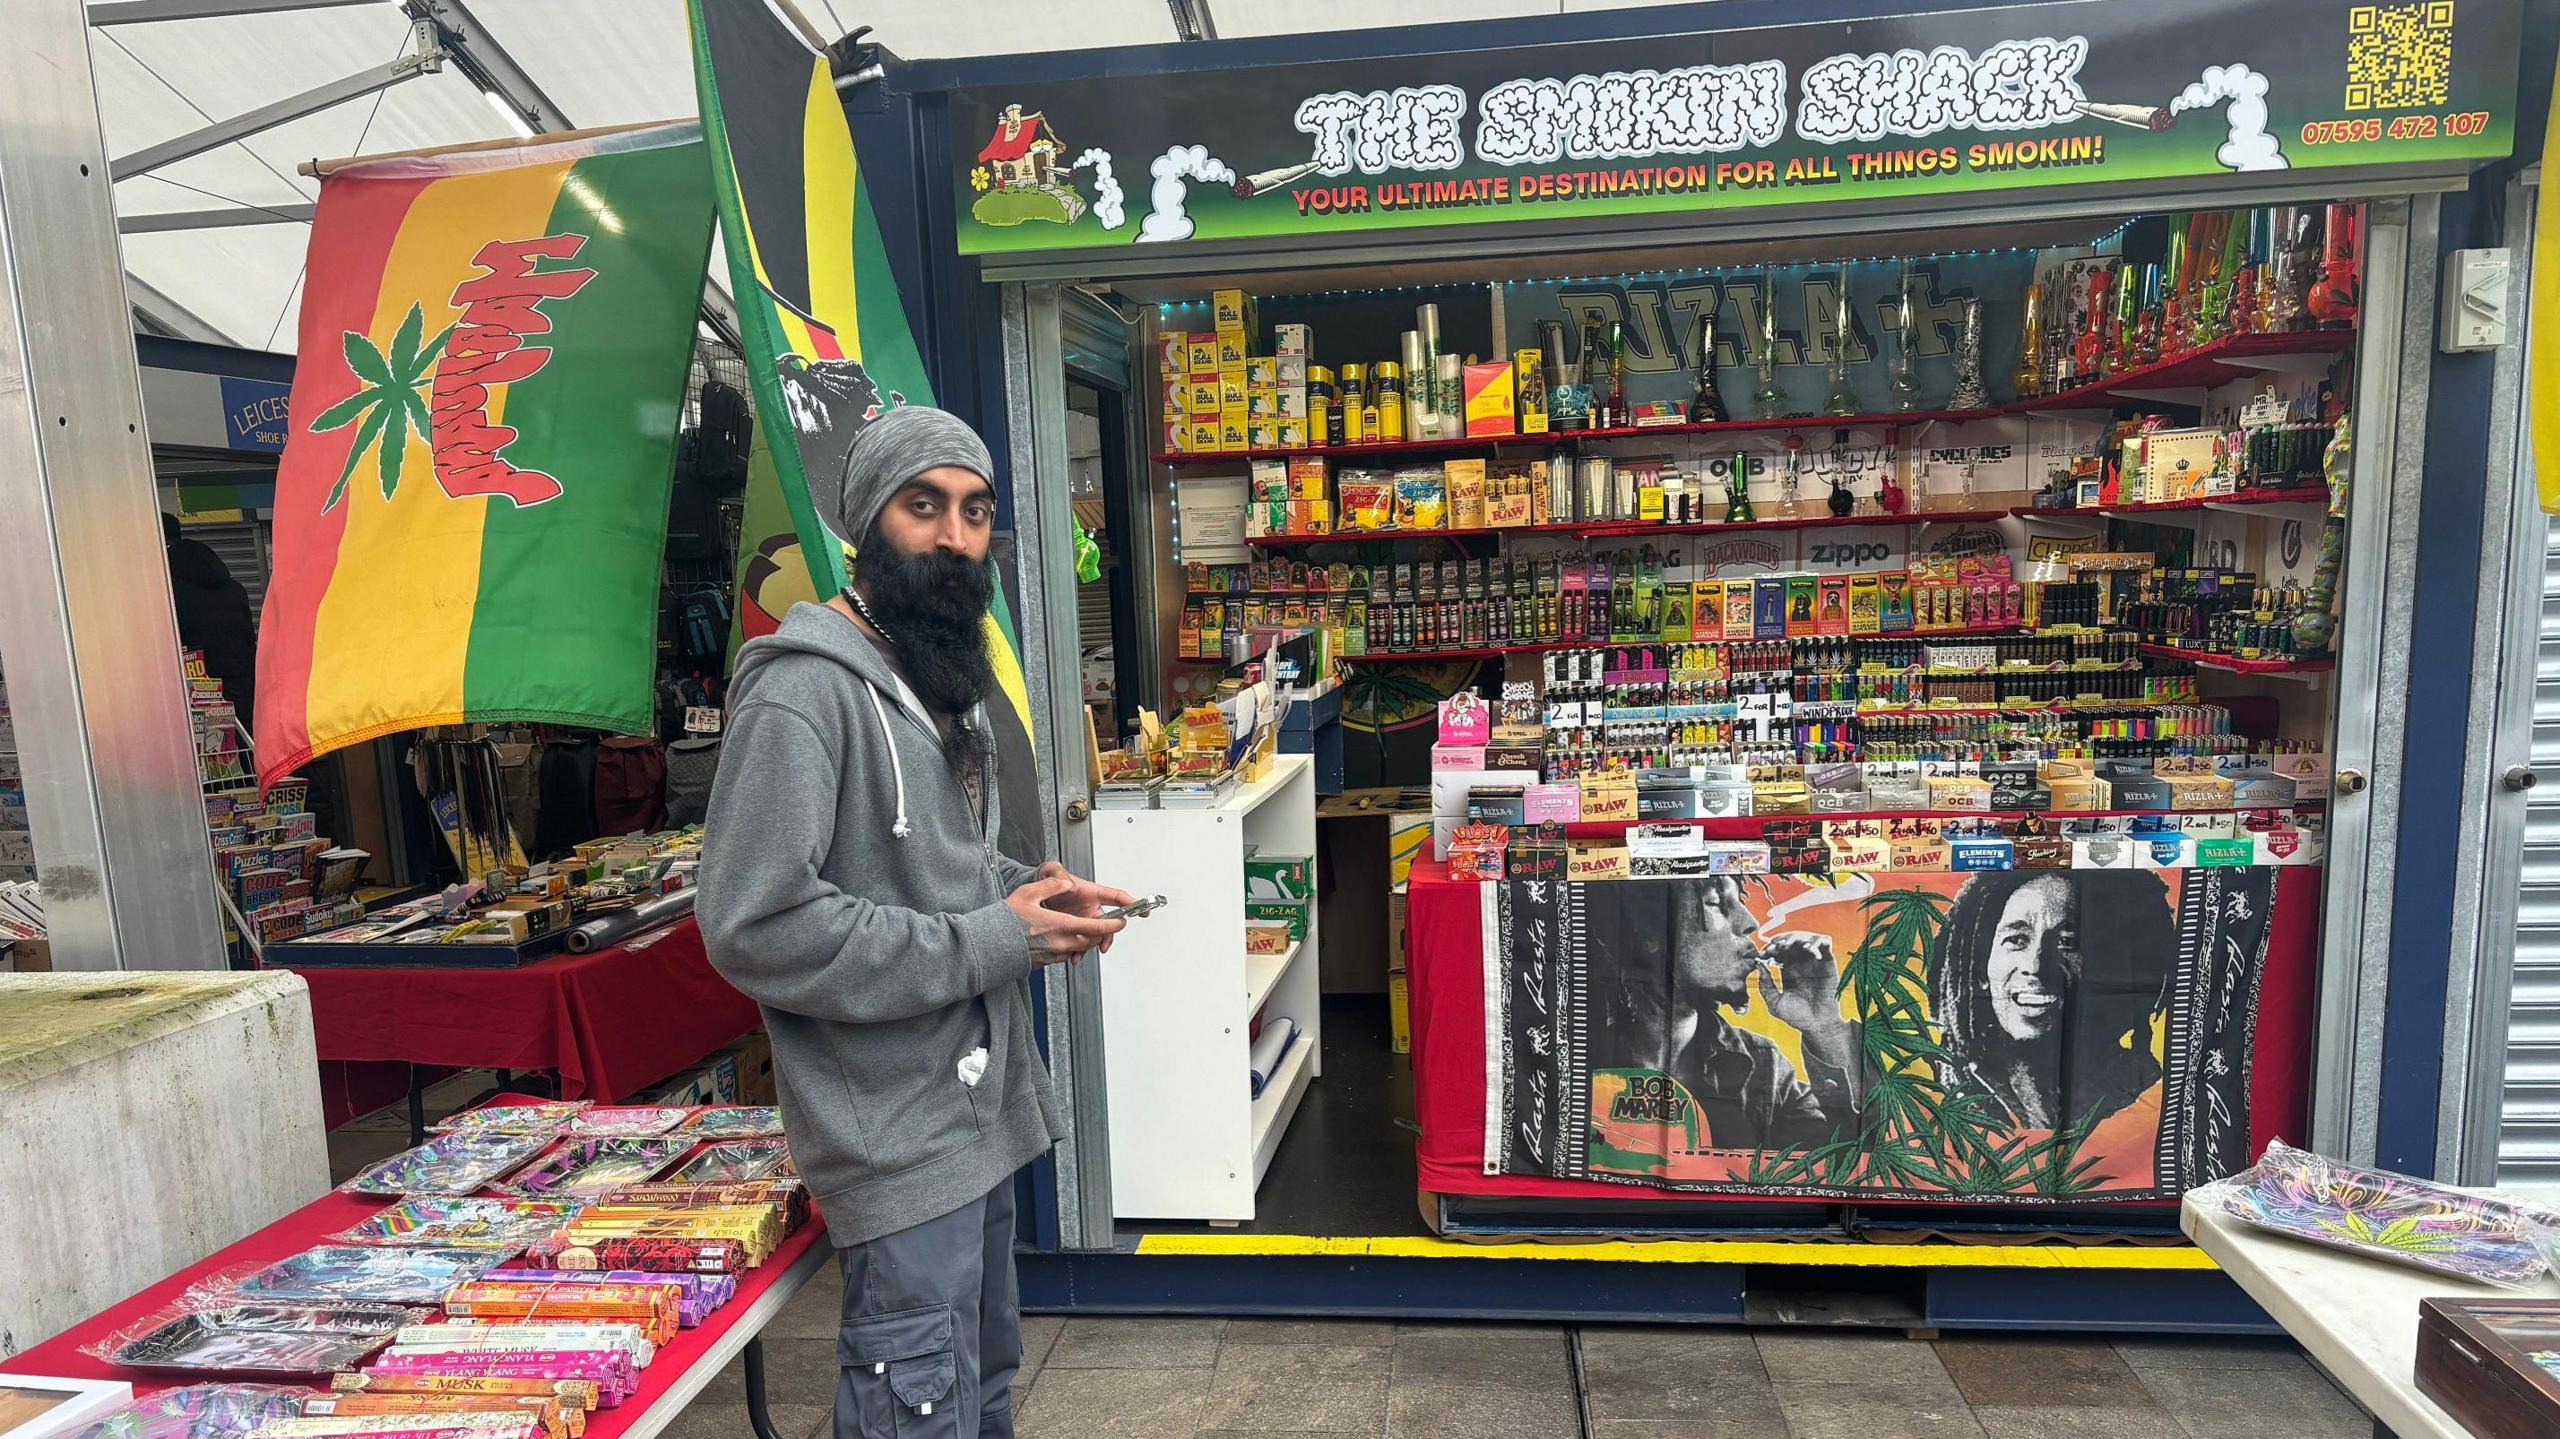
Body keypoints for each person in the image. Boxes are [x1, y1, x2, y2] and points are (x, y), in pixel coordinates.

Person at [697, 406, 1133, 1439]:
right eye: (923, 505)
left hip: (972, 1116)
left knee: (977, 1387)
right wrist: (996, 936)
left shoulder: (930, 676)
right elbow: (753, 922)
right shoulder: (802, 695)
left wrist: (1028, 889)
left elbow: (925, 862)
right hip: (892, 1136)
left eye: (974, 510)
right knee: (915, 1405)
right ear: (864, 524)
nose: (952, 535)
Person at [1593, 876, 1860, 1151]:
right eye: (1716, 903)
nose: (1750, 922)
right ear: (1649, 932)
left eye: (1740, 902)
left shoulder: (1765, 1068)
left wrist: (1824, 1026)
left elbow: (1853, 1162)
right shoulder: (1574, 1044)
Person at [1926, 870, 2175, 1132]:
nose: (2035, 965)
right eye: (2016, 940)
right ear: (1980, 970)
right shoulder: (1945, 1089)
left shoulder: (2141, 1089)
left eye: (2067, 942)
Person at [163, 512, 257, 727]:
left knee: (210, 752)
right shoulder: (234, 589)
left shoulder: (168, 592)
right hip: (243, 685)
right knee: (248, 750)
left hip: (199, 688)